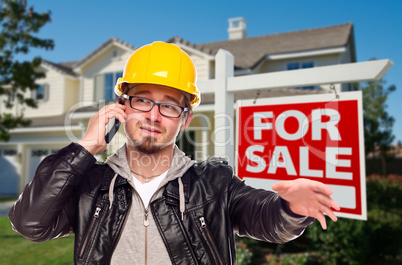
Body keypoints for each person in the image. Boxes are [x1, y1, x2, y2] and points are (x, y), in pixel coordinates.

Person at [9, 41, 340, 265]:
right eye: (142, 100)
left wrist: (290, 208)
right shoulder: (91, 185)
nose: (153, 115)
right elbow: (30, 223)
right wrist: (84, 148)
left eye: (168, 105)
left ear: (185, 120)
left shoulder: (214, 183)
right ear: (122, 106)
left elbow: (266, 219)